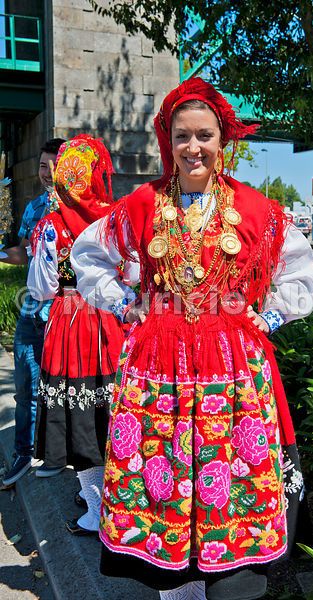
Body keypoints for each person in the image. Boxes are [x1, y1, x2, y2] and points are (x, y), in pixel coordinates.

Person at [71, 78, 313, 599]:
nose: (193, 148)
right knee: (161, 462)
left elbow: (299, 273)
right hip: (159, 359)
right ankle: (174, 575)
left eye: (204, 135)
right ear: (169, 141)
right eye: (182, 136)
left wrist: (266, 321)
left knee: (232, 466)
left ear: (222, 141)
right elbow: (89, 254)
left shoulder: (255, 209)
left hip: (230, 362)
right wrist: (126, 304)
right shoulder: (141, 204)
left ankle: (230, 570)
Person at [27, 135, 130, 535]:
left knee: (78, 417)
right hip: (113, 323)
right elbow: (135, 277)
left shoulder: (51, 225)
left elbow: (41, 288)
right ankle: (121, 503)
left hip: (70, 324)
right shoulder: (118, 219)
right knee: (113, 413)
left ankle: (94, 509)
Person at [2, 138, 65, 487]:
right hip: (30, 310)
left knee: (62, 387)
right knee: (25, 385)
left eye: (54, 165)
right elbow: (25, 254)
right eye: (43, 165)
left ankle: (58, 453)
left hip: (66, 313)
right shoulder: (33, 208)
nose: (48, 172)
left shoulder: (80, 210)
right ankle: (23, 453)